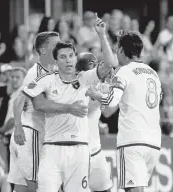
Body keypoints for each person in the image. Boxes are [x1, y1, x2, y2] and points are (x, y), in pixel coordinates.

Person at [22, 13, 116, 192]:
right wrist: (69, 108)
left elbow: (110, 63)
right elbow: (39, 104)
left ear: (75, 58)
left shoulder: (86, 79)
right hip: (51, 149)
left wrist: (102, 35)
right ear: (56, 61)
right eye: (63, 57)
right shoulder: (47, 80)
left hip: (80, 150)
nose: (68, 60)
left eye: (71, 56)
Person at [86, 30, 162, 192]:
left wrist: (96, 94)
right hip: (154, 142)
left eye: (116, 50)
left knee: (133, 189)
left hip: (132, 140)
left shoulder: (124, 71)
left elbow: (111, 101)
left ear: (121, 50)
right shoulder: (153, 73)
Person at [7, 31, 60, 192]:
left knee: (20, 188)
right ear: (43, 50)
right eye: (56, 44)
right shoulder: (35, 73)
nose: (60, 47)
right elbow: (18, 101)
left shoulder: (50, 71)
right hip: (31, 134)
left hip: (26, 134)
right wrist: (18, 128)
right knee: (35, 186)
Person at [76, 52, 113, 192]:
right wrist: (105, 96)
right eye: (93, 64)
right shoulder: (78, 85)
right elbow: (89, 107)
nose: (97, 67)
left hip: (96, 152)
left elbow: (106, 109)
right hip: (78, 156)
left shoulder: (99, 85)